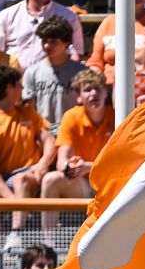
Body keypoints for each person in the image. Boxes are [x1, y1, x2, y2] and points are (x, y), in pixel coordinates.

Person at [0, 64, 54, 250]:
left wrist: (43, 163)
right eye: (18, 85)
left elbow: (48, 140)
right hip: (5, 179)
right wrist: (9, 197)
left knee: (21, 178)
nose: (22, 89)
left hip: (31, 174)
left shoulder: (28, 113)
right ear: (10, 88)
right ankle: (0, 250)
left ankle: (16, 234)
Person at [40, 69, 115, 230]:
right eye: (87, 89)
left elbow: (121, 165)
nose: (93, 93)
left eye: (98, 88)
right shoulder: (71, 116)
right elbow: (62, 161)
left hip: (112, 186)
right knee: (50, 179)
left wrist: (87, 166)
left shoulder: (117, 116)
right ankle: (48, 245)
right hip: (83, 185)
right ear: (79, 97)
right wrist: (70, 168)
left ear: (105, 93)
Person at [0, 0, 85, 70]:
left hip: (53, 82)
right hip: (13, 82)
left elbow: (75, 55)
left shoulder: (68, 17)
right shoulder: (5, 17)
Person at [22, 16, 85, 134]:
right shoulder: (32, 72)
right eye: (44, 41)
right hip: (43, 133)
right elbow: (28, 109)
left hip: (73, 133)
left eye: (53, 42)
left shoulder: (81, 72)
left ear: (66, 43)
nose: (47, 46)